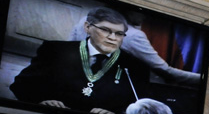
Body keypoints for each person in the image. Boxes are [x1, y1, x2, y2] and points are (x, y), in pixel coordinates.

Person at [9, 7, 152, 114]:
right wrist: (41, 102)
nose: (113, 37)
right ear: (87, 27)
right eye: (105, 30)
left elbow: (141, 107)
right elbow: (21, 85)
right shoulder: (56, 50)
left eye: (119, 33)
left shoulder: (136, 67)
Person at [69, 12, 200, 87]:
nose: (145, 17)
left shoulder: (85, 21)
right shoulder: (133, 35)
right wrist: (204, 79)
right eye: (142, 12)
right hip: (111, 91)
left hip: (75, 83)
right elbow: (165, 70)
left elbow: (69, 52)